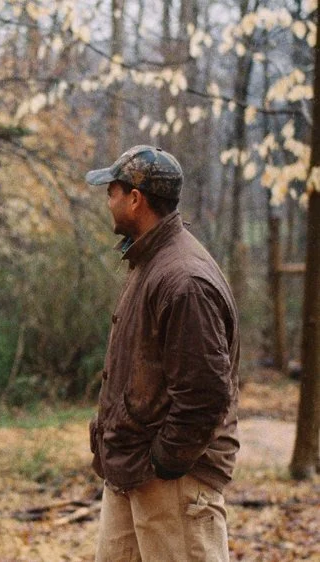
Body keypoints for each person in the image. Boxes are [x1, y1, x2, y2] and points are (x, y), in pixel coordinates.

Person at [85, 145, 240, 561]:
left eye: (112, 191)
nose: (108, 201)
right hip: (133, 472)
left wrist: (165, 462)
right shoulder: (151, 260)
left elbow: (205, 395)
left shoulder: (183, 279)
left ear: (135, 199)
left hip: (173, 482)